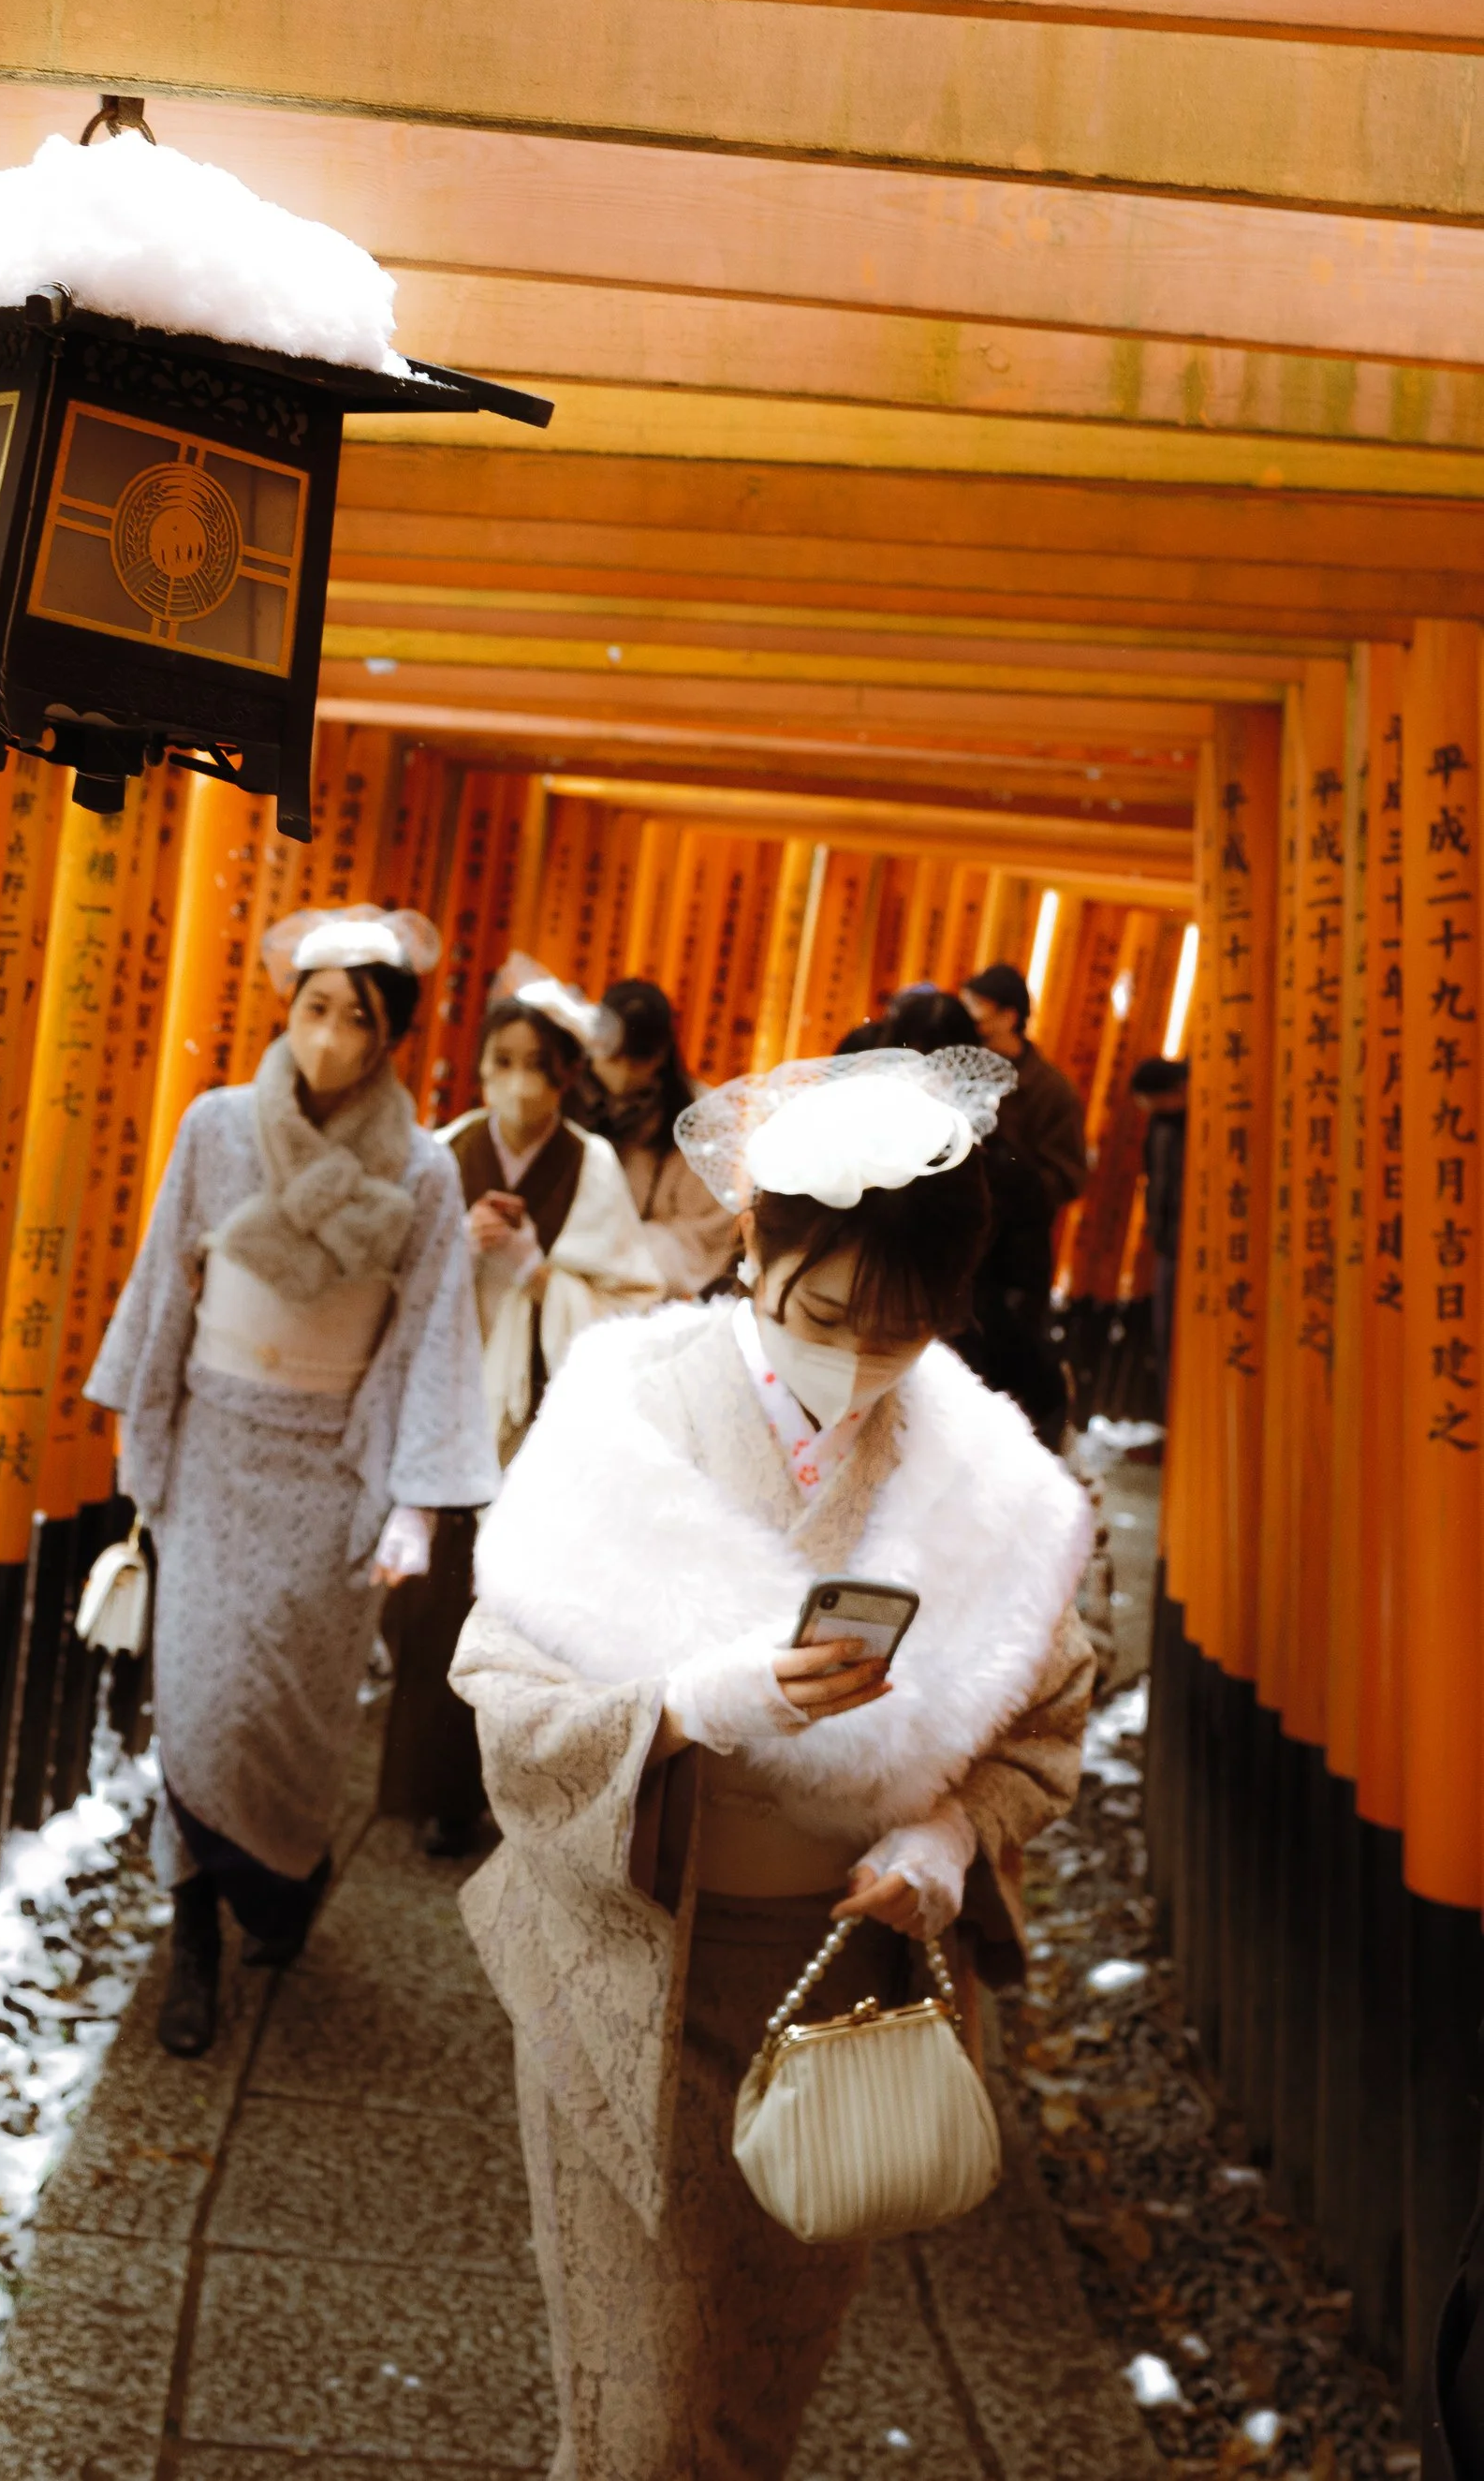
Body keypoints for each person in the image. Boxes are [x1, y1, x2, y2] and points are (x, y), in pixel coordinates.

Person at [450, 1046, 1097, 2480]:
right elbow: (500, 1691)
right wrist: (697, 1699)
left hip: (843, 1983)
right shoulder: (628, 1409)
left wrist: (943, 1840)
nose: (857, 1364)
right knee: (645, 2410)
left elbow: (1044, 1723)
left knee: (749, 2405)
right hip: (638, 1962)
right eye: (822, 1313)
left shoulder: (982, 1473)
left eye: (904, 1334)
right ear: (755, 1240)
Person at [87, 904, 497, 2056]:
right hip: (218, 1448)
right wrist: (146, 1433)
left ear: (388, 1038)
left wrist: (416, 1501)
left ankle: (281, 1875)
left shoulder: (420, 1169)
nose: (326, 1034)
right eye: (312, 1008)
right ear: (288, 1010)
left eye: (353, 1017)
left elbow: (428, 1335)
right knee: (205, 1699)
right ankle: (192, 1936)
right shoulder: (218, 1127)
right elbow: (169, 1288)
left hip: (332, 1466)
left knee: (294, 1710)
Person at [381, 959, 661, 1858]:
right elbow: (392, 1277)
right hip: (451, 1400)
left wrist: (541, 1273)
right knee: (432, 1609)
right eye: (501, 1061)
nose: (517, 1083)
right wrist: (458, 1252)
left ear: (567, 1076)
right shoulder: (448, 1145)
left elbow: (630, 1299)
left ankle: (515, 1786)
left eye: (536, 1064)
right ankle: (436, 1794)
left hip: (543, 1421)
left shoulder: (594, 1165)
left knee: (523, 1608)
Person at [883, 983, 1070, 1445]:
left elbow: (1017, 1289)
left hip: (966, 1363)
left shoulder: (1001, 1164)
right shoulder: (872, 1144)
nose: (920, 1079)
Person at [587, 977, 741, 1301]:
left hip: (654, 1294)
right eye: (613, 1058)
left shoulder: (703, 1120)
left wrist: (613, 1254)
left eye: (638, 1059)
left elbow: (704, 1237)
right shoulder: (564, 1097)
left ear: (662, 1056)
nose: (623, 1072)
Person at [961, 960, 1090, 1225]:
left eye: (976, 1010)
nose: (969, 1020)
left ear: (1009, 1018)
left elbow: (1069, 1178)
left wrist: (1006, 1171)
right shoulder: (959, 1069)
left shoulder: (1052, 1091)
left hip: (1011, 1241)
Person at [1130, 1054, 1189, 1420]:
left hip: (1198, 1249)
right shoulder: (1163, 1122)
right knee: (1167, 1337)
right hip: (1170, 1245)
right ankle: (1174, 1425)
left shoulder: (1202, 1119)